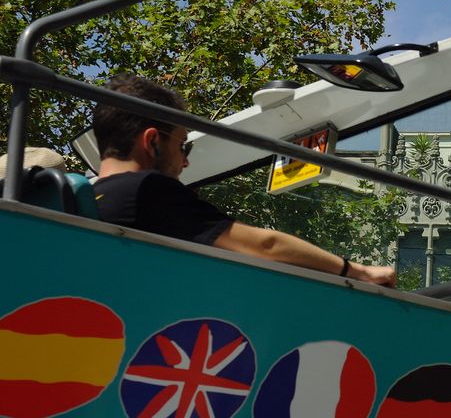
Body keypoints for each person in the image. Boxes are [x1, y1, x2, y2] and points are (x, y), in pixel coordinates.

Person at [92, 73, 396, 287]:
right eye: (182, 145)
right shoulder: (147, 191)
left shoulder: (89, 198)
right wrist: (357, 272)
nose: (185, 160)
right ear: (152, 141)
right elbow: (265, 245)